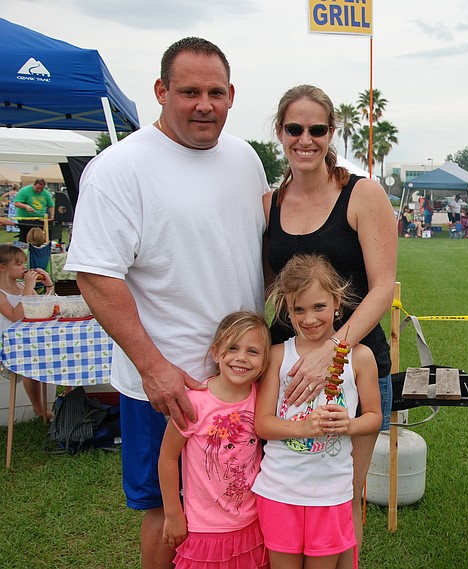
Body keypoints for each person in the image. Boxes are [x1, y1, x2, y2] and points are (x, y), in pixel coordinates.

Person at [64, 37, 269, 569]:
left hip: (243, 382)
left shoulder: (245, 158)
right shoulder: (119, 169)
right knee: (167, 509)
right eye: (189, 91)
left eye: (216, 92)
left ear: (231, 96)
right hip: (170, 388)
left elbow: (260, 250)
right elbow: (96, 278)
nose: (205, 103)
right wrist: (154, 369)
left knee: (243, 501)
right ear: (160, 91)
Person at [263, 84, 396, 568]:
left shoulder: (362, 194)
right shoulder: (270, 203)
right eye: (294, 128)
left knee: (343, 497)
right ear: (280, 132)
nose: (305, 139)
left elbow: (382, 288)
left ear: (331, 133)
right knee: (290, 490)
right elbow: (269, 287)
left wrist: (331, 354)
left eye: (316, 129)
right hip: (289, 373)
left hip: (353, 366)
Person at [254, 253, 381, 569]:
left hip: (331, 493)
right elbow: (263, 424)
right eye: (299, 309)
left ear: (337, 302)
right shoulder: (278, 356)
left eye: (319, 307)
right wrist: (301, 428)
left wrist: (348, 425)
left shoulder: (361, 357)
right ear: (287, 308)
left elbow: (375, 418)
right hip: (279, 491)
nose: (309, 318)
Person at [158, 311, 271, 569]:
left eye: (253, 351)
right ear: (216, 352)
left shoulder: (262, 399)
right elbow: (167, 457)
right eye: (233, 348)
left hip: (253, 523)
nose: (241, 358)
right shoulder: (194, 403)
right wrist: (173, 512)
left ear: (264, 362)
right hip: (205, 528)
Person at [0, 244, 55, 420]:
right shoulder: (2, 293)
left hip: (28, 338)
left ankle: (67, 398)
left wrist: (48, 286)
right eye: (19, 264)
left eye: (24, 263)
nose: (24, 267)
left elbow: (45, 307)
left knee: (53, 353)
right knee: (32, 365)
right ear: (3, 268)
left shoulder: (23, 287)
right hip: (8, 342)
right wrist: (27, 289)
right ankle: (39, 409)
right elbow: (15, 316)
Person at [13, 178, 54, 243]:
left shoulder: (46, 193)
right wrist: (26, 206)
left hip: (41, 220)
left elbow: (51, 206)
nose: (39, 190)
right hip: (26, 220)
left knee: (40, 238)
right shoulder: (24, 191)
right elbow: (16, 203)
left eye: (41, 189)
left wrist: (52, 215)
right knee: (25, 238)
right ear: (34, 185)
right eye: (37, 188)